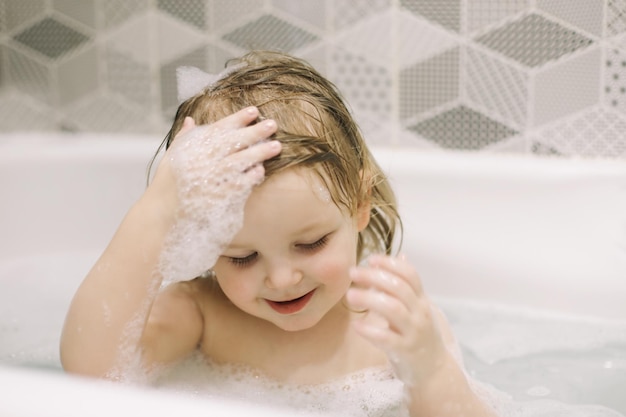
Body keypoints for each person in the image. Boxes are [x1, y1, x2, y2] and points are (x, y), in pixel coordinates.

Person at [60, 50, 496, 417]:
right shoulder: (201, 315)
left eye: (311, 243)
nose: (282, 279)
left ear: (361, 205)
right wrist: (157, 210)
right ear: (206, 238)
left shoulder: (390, 325)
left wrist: (430, 367)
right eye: (242, 257)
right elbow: (93, 375)